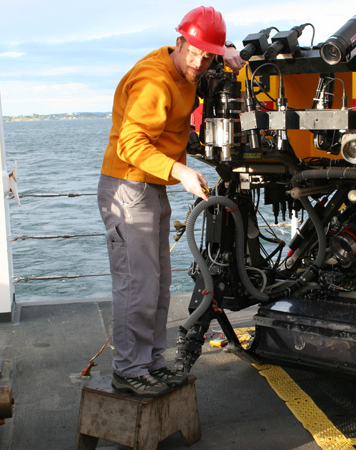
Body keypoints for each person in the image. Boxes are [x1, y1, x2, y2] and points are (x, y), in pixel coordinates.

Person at [97, 6, 245, 397]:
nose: (198, 63)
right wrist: (180, 172)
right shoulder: (153, 81)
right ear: (178, 43)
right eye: (193, 52)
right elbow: (130, 144)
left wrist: (228, 52)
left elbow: (208, 58)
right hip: (128, 187)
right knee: (137, 285)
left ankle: (151, 363)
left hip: (152, 185)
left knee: (159, 284)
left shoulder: (191, 66)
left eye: (207, 56)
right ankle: (128, 370)